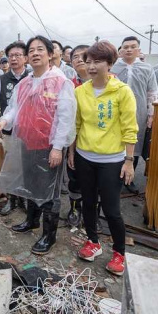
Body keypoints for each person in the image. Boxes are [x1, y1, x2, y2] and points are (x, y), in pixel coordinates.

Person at [0, 36, 76, 255]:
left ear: (50, 54)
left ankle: (49, 235)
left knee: (49, 191)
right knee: (30, 186)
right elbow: (14, 108)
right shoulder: (25, 83)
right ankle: (31, 221)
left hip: (49, 146)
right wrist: (4, 121)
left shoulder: (60, 81)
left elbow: (66, 118)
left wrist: (57, 147)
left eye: (40, 49)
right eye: (31, 50)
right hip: (27, 143)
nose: (35, 53)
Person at [69, 40, 137, 275]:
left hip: (112, 160)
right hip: (84, 157)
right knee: (88, 203)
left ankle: (119, 253)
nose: (91, 66)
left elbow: (130, 128)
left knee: (111, 209)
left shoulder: (122, 91)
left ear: (110, 64)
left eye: (97, 61)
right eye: (88, 61)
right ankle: (93, 242)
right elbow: (76, 125)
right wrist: (71, 152)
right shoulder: (80, 91)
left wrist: (129, 161)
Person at [0, 42, 30, 216]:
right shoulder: (1, 79)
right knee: (10, 166)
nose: (14, 59)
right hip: (9, 131)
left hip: (29, 132)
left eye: (18, 55)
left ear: (25, 58)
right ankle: (12, 199)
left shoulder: (33, 77)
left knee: (27, 166)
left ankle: (25, 198)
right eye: (11, 56)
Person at [110, 36, 158, 194]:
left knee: (135, 144)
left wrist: (151, 114)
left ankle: (128, 179)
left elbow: (152, 92)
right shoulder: (113, 67)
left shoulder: (147, 68)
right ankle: (113, 178)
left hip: (139, 112)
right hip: (114, 113)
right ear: (120, 50)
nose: (129, 50)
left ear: (138, 50)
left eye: (133, 47)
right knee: (115, 143)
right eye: (125, 47)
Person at [64, 44, 91, 228]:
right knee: (74, 178)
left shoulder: (110, 83)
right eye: (75, 57)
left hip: (101, 145)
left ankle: (93, 214)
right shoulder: (69, 86)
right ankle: (75, 209)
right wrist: (71, 151)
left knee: (97, 183)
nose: (80, 59)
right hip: (75, 141)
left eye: (84, 55)